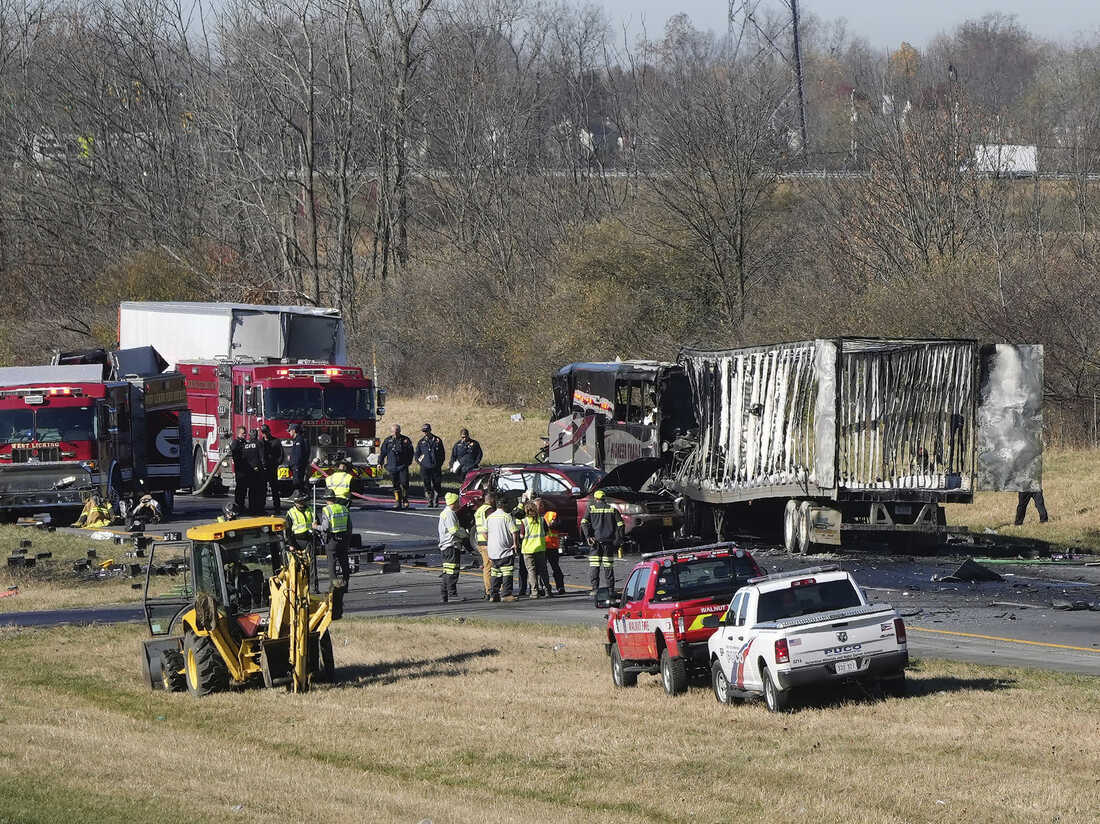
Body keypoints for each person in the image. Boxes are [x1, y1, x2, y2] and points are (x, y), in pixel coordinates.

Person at [314, 489, 352, 619]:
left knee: (332, 563)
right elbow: (349, 526)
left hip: (332, 540)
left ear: (326, 499)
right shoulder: (343, 508)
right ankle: (346, 584)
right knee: (344, 562)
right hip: (343, 539)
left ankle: (335, 586)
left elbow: (325, 527)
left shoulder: (327, 510)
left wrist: (315, 527)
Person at [581, 490, 623, 596]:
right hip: (608, 543)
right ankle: (610, 590)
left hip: (595, 543)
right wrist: (618, 540)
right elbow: (621, 525)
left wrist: (588, 536)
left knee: (594, 566)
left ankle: (595, 589)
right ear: (605, 498)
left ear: (595, 499)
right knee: (608, 567)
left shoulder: (591, 509)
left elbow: (584, 523)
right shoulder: (612, 510)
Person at [486, 501, 519, 602]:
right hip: (505, 549)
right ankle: (506, 594)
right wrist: (515, 544)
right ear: (505, 506)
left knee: (495, 573)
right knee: (507, 572)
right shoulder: (506, 517)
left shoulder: (490, 517)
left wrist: (491, 542)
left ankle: (493, 595)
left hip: (493, 550)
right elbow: (514, 531)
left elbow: (484, 532)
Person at [437, 492, 468, 603]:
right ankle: (452, 595)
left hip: (446, 546)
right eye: (457, 502)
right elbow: (454, 530)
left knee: (447, 571)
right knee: (453, 572)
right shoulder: (450, 514)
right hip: (451, 546)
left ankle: (444, 594)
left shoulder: (444, 513)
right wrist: (465, 534)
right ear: (453, 502)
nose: (459, 504)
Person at [519, 500, 551, 598]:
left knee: (531, 571)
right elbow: (546, 532)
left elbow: (521, 535)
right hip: (540, 548)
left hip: (528, 550)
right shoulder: (541, 520)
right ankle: (547, 591)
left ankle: (534, 592)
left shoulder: (524, 521)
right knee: (543, 570)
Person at [379, 424, 414, 509]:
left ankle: (405, 499)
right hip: (392, 466)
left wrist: (408, 463)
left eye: (397, 432)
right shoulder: (387, 441)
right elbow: (383, 453)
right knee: (395, 485)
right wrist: (380, 463)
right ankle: (398, 501)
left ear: (400, 431)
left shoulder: (405, 440)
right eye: (394, 432)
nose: (395, 434)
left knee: (405, 483)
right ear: (391, 432)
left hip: (402, 466)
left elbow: (411, 452)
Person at [284, 493, 314, 585]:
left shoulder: (310, 510)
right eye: (299, 502)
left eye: (302, 502)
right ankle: (298, 584)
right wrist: (291, 544)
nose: (301, 504)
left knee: (312, 564)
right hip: (296, 541)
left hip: (309, 540)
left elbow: (316, 523)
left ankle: (312, 584)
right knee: (296, 565)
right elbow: (288, 530)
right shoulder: (291, 513)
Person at [415, 423, 446, 507]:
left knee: (437, 483)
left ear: (430, 430)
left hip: (435, 467)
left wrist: (439, 463)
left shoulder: (437, 440)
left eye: (426, 431)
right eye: (424, 431)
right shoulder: (421, 442)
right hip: (425, 467)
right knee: (426, 484)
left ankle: (436, 500)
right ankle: (429, 500)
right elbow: (417, 454)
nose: (425, 433)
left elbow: (442, 454)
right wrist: (420, 463)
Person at [473, 492, 497, 600]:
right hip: (487, 542)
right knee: (490, 567)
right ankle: (490, 590)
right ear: (492, 500)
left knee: (487, 567)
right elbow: (491, 526)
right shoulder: (489, 510)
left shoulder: (479, 510)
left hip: (481, 542)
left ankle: (489, 589)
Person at [541, 505, 566, 596]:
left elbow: (559, 524)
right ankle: (543, 588)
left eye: (540, 505)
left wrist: (551, 525)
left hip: (551, 545)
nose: (538, 507)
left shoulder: (551, 514)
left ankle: (560, 587)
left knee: (555, 567)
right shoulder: (533, 516)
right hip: (541, 547)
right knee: (542, 569)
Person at [241, 428, 266, 515]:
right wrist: (264, 467)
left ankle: (251, 508)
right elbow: (262, 457)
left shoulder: (245, 445)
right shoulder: (259, 443)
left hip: (249, 471)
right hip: (258, 471)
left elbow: (243, 458)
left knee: (251, 491)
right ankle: (260, 509)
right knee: (260, 490)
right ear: (256, 435)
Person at [260, 425, 283, 513]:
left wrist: (277, 463)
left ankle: (277, 508)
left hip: (272, 468)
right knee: (263, 489)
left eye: (266, 432)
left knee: (275, 489)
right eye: (263, 432)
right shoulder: (260, 442)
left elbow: (281, 455)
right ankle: (262, 507)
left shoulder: (276, 441)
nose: (265, 434)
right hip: (264, 469)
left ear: (269, 431)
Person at [230, 426, 251, 513]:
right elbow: (234, 452)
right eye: (243, 433)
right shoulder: (236, 442)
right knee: (240, 488)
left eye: (245, 433)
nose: (245, 435)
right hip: (240, 469)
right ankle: (238, 505)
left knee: (244, 489)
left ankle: (242, 505)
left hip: (245, 469)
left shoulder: (245, 442)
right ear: (238, 433)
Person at [287, 423, 311, 495]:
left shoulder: (299, 440)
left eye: (290, 431)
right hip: (297, 466)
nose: (289, 432)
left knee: (297, 483)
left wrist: (295, 465)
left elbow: (299, 455)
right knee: (298, 482)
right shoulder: (298, 440)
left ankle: (302, 496)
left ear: (294, 431)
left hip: (297, 467)